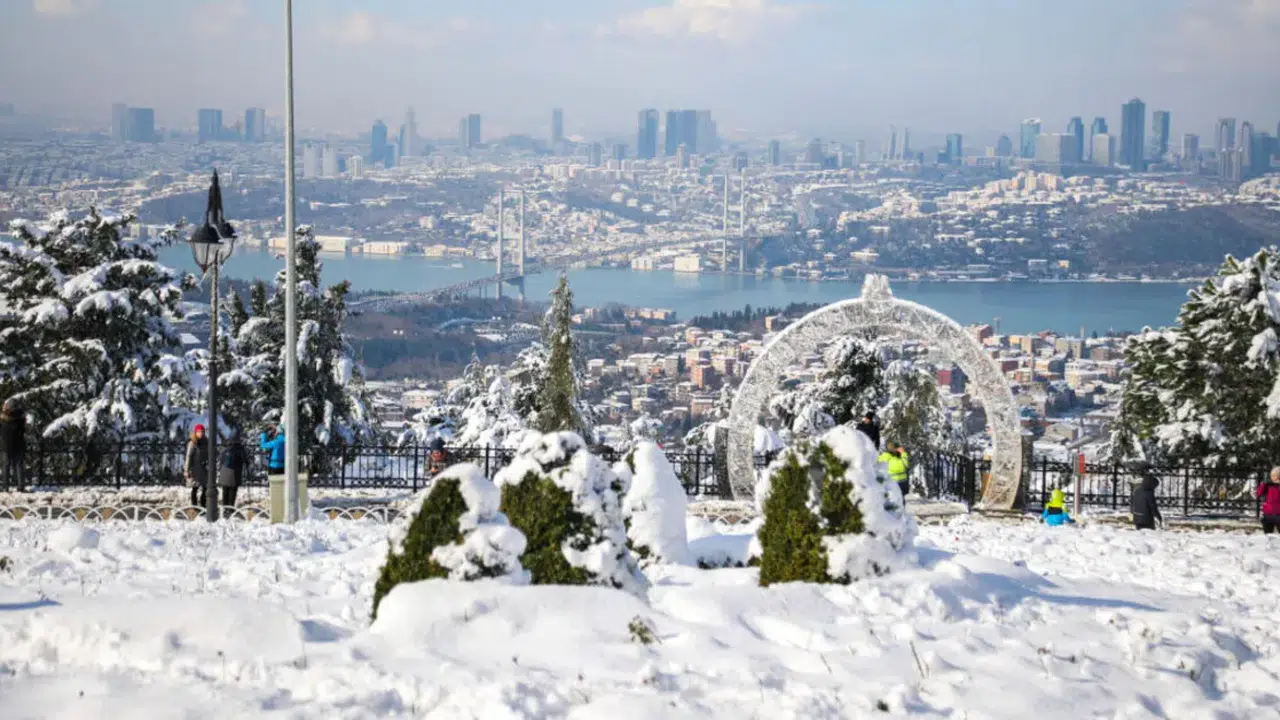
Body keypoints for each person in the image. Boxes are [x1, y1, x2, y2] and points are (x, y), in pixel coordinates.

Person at [219, 429, 248, 512]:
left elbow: (221, 459)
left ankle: (225, 508)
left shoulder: (226, 447)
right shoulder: (240, 448)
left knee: (225, 490)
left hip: (224, 470)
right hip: (235, 471)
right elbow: (245, 460)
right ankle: (230, 508)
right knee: (233, 490)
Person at [0, 399, 26, 491]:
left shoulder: (3, 419)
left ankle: (5, 487)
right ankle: (21, 486)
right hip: (19, 445)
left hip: (6, 446)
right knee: (19, 466)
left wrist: (3, 410)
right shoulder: (20, 419)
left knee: (5, 467)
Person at [1130, 464, 1163, 531]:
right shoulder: (1149, 492)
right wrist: (1159, 517)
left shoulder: (1137, 489)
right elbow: (1153, 506)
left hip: (1136, 517)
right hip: (1146, 519)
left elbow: (1133, 502)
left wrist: (1132, 513)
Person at [185, 424, 209, 508]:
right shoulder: (192, 443)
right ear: (196, 432)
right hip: (194, 469)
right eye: (199, 432)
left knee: (205, 487)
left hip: (203, 468)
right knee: (195, 488)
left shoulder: (206, 442)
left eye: (202, 432)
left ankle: (203, 505)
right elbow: (188, 457)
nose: (201, 433)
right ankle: (194, 506)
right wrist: (186, 470)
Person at [1258, 467, 1280, 535]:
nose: (1271, 476)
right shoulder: (1268, 485)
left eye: (1274, 475)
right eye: (1271, 475)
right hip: (1268, 515)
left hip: (1278, 515)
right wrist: (1263, 484)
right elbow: (1259, 493)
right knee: (1268, 536)